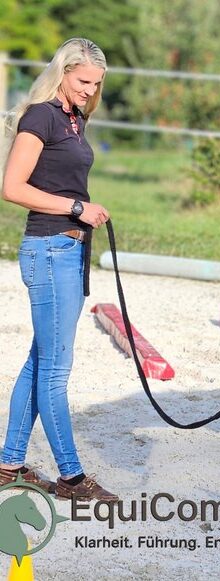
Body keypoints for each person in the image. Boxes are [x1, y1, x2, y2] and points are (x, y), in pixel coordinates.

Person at [0, 38, 117, 501]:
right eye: (83, 80)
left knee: (39, 362)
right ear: (63, 72)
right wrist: (76, 207)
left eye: (97, 83)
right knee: (54, 370)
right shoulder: (41, 115)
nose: (90, 90)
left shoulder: (74, 118)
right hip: (48, 249)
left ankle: (8, 463)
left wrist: (83, 211)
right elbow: (12, 187)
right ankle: (70, 476)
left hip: (67, 250)